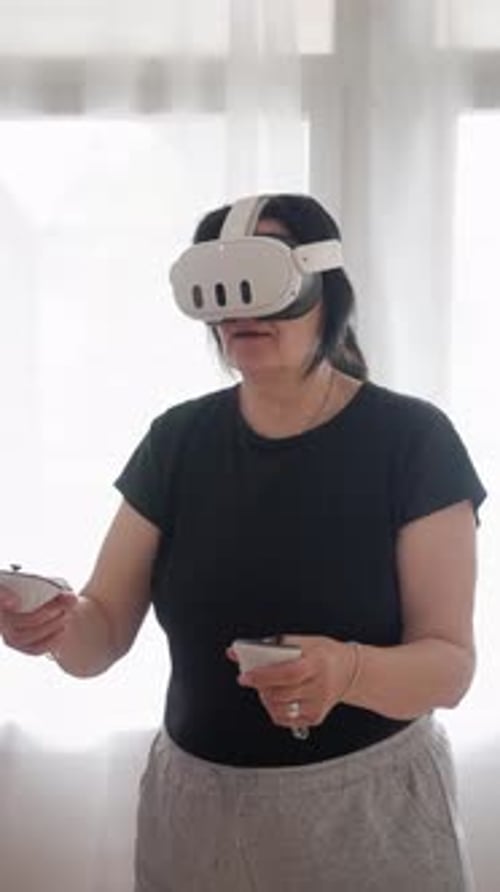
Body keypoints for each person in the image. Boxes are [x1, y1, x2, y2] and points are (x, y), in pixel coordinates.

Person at [0, 193, 486, 891]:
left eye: (265, 281)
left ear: (328, 292)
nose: (240, 311)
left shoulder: (412, 441)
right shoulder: (177, 442)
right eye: (221, 288)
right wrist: (47, 625)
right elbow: (98, 636)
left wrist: (347, 672)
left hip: (367, 818)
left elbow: (450, 667)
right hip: (197, 819)